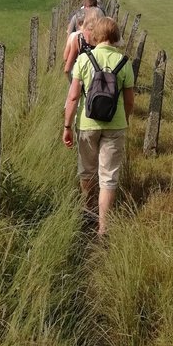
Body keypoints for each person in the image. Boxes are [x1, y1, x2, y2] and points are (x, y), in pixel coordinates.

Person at [63, 16, 134, 236]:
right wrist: (125, 119)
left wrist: (67, 126)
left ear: (96, 35)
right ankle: (103, 226)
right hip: (115, 124)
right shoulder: (125, 62)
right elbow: (130, 100)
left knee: (87, 169)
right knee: (109, 175)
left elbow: (74, 97)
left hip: (87, 123)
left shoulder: (84, 59)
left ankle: (88, 209)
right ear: (115, 37)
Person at [62, 7, 99, 79]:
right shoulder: (100, 36)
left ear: (79, 23)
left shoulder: (75, 36)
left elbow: (66, 58)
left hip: (79, 75)